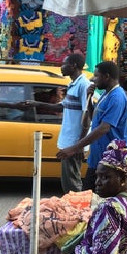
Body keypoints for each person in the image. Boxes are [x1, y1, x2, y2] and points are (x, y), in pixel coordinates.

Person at [57, 61, 127, 191]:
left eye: (96, 76)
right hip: (99, 157)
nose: (93, 80)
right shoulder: (105, 94)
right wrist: (89, 98)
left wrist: (75, 148)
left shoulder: (117, 97)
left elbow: (104, 128)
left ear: (106, 77)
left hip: (111, 159)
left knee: (92, 194)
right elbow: (94, 118)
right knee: (89, 196)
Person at [22, 54, 91, 193]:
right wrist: (36, 103)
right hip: (68, 142)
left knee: (72, 184)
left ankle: (78, 211)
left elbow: (87, 115)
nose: (61, 67)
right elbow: (61, 107)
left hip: (73, 143)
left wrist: (78, 145)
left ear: (74, 66)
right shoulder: (72, 84)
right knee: (67, 182)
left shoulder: (83, 85)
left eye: (64, 64)